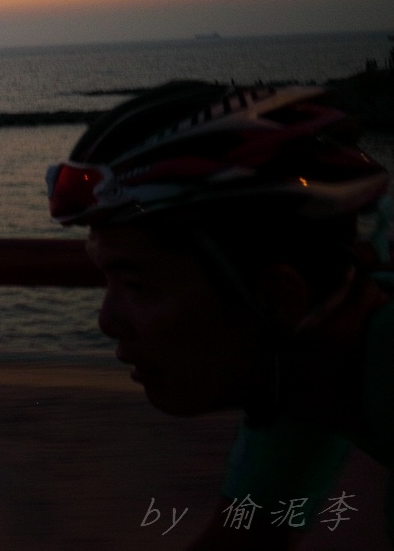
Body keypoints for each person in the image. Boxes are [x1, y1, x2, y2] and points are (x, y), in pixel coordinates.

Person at [47, 80, 391, 548]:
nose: (107, 322)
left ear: (277, 298)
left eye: (138, 285)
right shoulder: (302, 374)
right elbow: (247, 539)